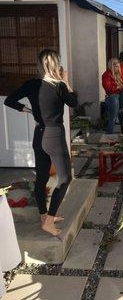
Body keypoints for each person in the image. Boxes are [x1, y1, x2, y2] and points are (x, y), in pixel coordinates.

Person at [4, 49, 78, 236]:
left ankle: (44, 216)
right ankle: (49, 221)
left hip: (39, 135)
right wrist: (67, 81)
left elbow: (10, 101)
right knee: (64, 178)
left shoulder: (31, 84)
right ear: (56, 65)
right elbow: (74, 103)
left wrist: (29, 111)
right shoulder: (59, 86)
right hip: (54, 136)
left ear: (40, 65)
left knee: (42, 177)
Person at [102, 58, 123, 134]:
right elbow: (108, 88)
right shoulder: (106, 75)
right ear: (112, 66)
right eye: (116, 66)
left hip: (117, 96)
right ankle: (108, 136)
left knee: (115, 118)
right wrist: (119, 87)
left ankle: (109, 135)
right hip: (112, 97)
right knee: (112, 118)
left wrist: (122, 86)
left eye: (119, 66)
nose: (118, 68)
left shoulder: (116, 75)